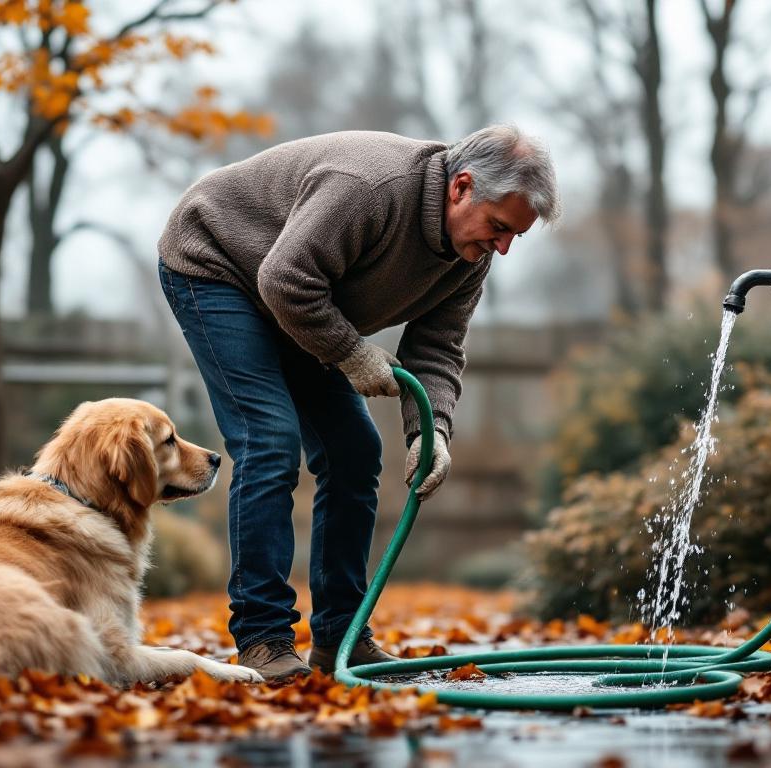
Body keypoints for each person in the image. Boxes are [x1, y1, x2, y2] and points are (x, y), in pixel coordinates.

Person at [156, 125, 560, 682]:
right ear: (461, 187)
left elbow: (437, 347)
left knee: (355, 451)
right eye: (499, 227)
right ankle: (263, 638)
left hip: (298, 304)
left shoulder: (470, 257)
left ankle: (341, 635)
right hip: (219, 265)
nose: (503, 246)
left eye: (515, 235)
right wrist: (351, 354)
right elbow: (284, 277)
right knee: (269, 439)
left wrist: (430, 432)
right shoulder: (370, 186)